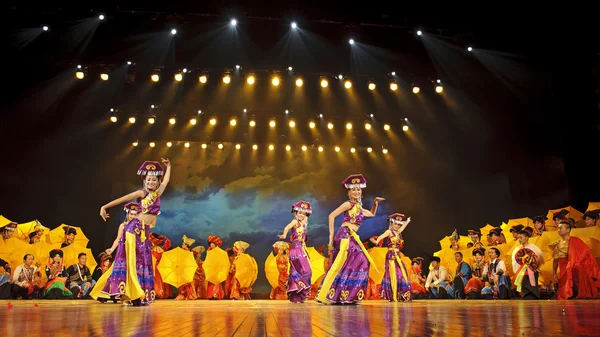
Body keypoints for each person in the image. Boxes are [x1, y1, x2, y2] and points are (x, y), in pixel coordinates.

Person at [91, 158, 171, 306]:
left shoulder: (158, 193)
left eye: (154, 180)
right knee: (131, 261)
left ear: (157, 181)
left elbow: (166, 181)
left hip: (144, 232)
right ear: (145, 181)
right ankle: (130, 294)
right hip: (133, 229)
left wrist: (169, 167)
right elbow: (122, 199)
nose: (151, 182)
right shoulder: (142, 193)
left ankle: (133, 293)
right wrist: (104, 206)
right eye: (148, 180)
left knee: (143, 262)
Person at [316, 174, 384, 304]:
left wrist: (375, 203)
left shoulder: (359, 207)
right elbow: (331, 216)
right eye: (354, 189)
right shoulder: (348, 204)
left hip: (352, 236)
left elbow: (371, 214)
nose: (356, 192)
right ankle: (337, 294)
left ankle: (346, 294)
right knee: (356, 260)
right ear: (349, 192)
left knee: (355, 262)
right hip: (345, 235)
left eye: (359, 189)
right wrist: (330, 239)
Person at [550, 221, 600, 300]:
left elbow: (585, 254)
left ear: (568, 230)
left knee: (576, 268)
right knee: (563, 292)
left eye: (561, 228)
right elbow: (555, 260)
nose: (558, 230)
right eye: (558, 228)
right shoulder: (557, 244)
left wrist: (572, 263)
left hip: (573, 268)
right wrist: (554, 273)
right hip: (563, 269)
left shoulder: (575, 241)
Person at [278, 201, 313, 303]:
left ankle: (300, 296)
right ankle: (298, 295)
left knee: (305, 271)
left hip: (301, 249)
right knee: (300, 270)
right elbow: (287, 227)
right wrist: (284, 235)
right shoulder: (295, 222)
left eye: (304, 213)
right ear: (296, 213)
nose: (302, 215)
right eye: (300, 213)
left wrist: (305, 223)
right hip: (296, 250)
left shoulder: (302, 224)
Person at [371, 213, 412, 302]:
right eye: (395, 224)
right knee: (392, 275)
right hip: (391, 256)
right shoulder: (388, 232)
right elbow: (380, 238)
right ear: (391, 223)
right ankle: (392, 294)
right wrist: (376, 241)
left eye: (398, 224)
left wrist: (407, 221)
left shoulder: (398, 232)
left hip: (398, 256)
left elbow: (402, 228)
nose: (397, 226)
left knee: (401, 274)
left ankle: (400, 294)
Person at [511, 227, 544, 299]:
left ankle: (532, 296)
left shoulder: (533, 247)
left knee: (531, 283)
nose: (519, 239)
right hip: (521, 271)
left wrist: (536, 267)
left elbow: (540, 258)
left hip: (531, 270)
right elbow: (514, 261)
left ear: (527, 237)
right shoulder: (517, 249)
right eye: (518, 238)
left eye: (521, 237)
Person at [148, 232, 173, 299]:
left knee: (157, 280)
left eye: (151, 242)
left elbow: (158, 259)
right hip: (152, 267)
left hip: (157, 268)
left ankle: (157, 292)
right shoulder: (152, 250)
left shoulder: (158, 250)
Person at [175, 235, 199, 300]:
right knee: (182, 282)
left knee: (187, 282)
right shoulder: (181, 252)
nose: (182, 245)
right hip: (182, 269)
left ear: (186, 245)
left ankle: (189, 295)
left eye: (183, 244)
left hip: (187, 269)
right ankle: (182, 295)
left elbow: (189, 262)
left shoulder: (188, 253)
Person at [206, 235, 226, 300]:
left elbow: (221, 260)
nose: (211, 245)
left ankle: (216, 295)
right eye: (210, 244)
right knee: (211, 282)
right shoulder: (209, 251)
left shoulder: (219, 251)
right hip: (211, 268)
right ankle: (210, 295)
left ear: (215, 244)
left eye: (212, 244)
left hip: (217, 269)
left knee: (216, 282)